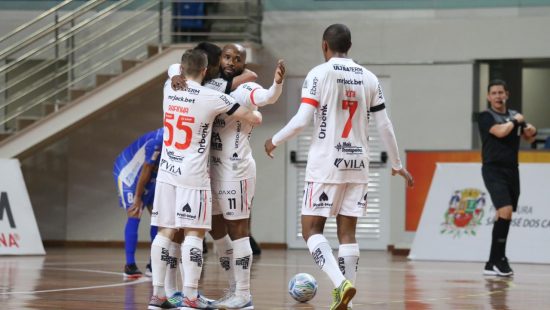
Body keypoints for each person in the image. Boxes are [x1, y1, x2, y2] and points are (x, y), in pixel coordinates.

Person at [264, 24, 414, 310]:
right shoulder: (369, 78)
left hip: (326, 165)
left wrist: (274, 140)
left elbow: (301, 120)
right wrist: (396, 164)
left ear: (324, 46)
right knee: (347, 234)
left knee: (311, 230)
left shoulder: (319, 74)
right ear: (350, 46)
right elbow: (385, 125)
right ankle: (347, 302)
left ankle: (341, 284)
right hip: (358, 164)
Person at [147, 49, 261, 310]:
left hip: (166, 171)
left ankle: (158, 295)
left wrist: (175, 73)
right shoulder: (212, 96)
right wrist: (254, 115)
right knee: (194, 235)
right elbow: (253, 117)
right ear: (206, 70)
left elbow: (174, 67)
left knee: (164, 231)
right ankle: (189, 296)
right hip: (193, 175)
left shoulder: (169, 87)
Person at [207, 44, 286, 309]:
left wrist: (276, 84)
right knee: (216, 230)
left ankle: (244, 294)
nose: (231, 62)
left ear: (243, 63)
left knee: (238, 230)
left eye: (237, 59)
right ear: (220, 59)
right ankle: (234, 288)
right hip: (213, 168)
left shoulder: (246, 89)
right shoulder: (213, 86)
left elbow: (268, 97)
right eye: (227, 57)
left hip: (236, 169)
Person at [478, 79, 537, 277]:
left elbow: (530, 135)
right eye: (493, 93)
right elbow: (501, 132)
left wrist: (529, 128)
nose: (497, 96)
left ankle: (491, 262)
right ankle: (500, 260)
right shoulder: (486, 116)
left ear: (506, 95)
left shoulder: (514, 115)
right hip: (493, 169)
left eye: (500, 93)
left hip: (512, 170)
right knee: (506, 210)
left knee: (503, 215)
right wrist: (515, 122)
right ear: (488, 97)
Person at [113, 128, 163, 278]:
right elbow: (146, 169)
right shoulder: (158, 140)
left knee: (158, 217)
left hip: (152, 173)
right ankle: (130, 265)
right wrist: (138, 197)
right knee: (135, 212)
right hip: (130, 173)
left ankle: (153, 264)